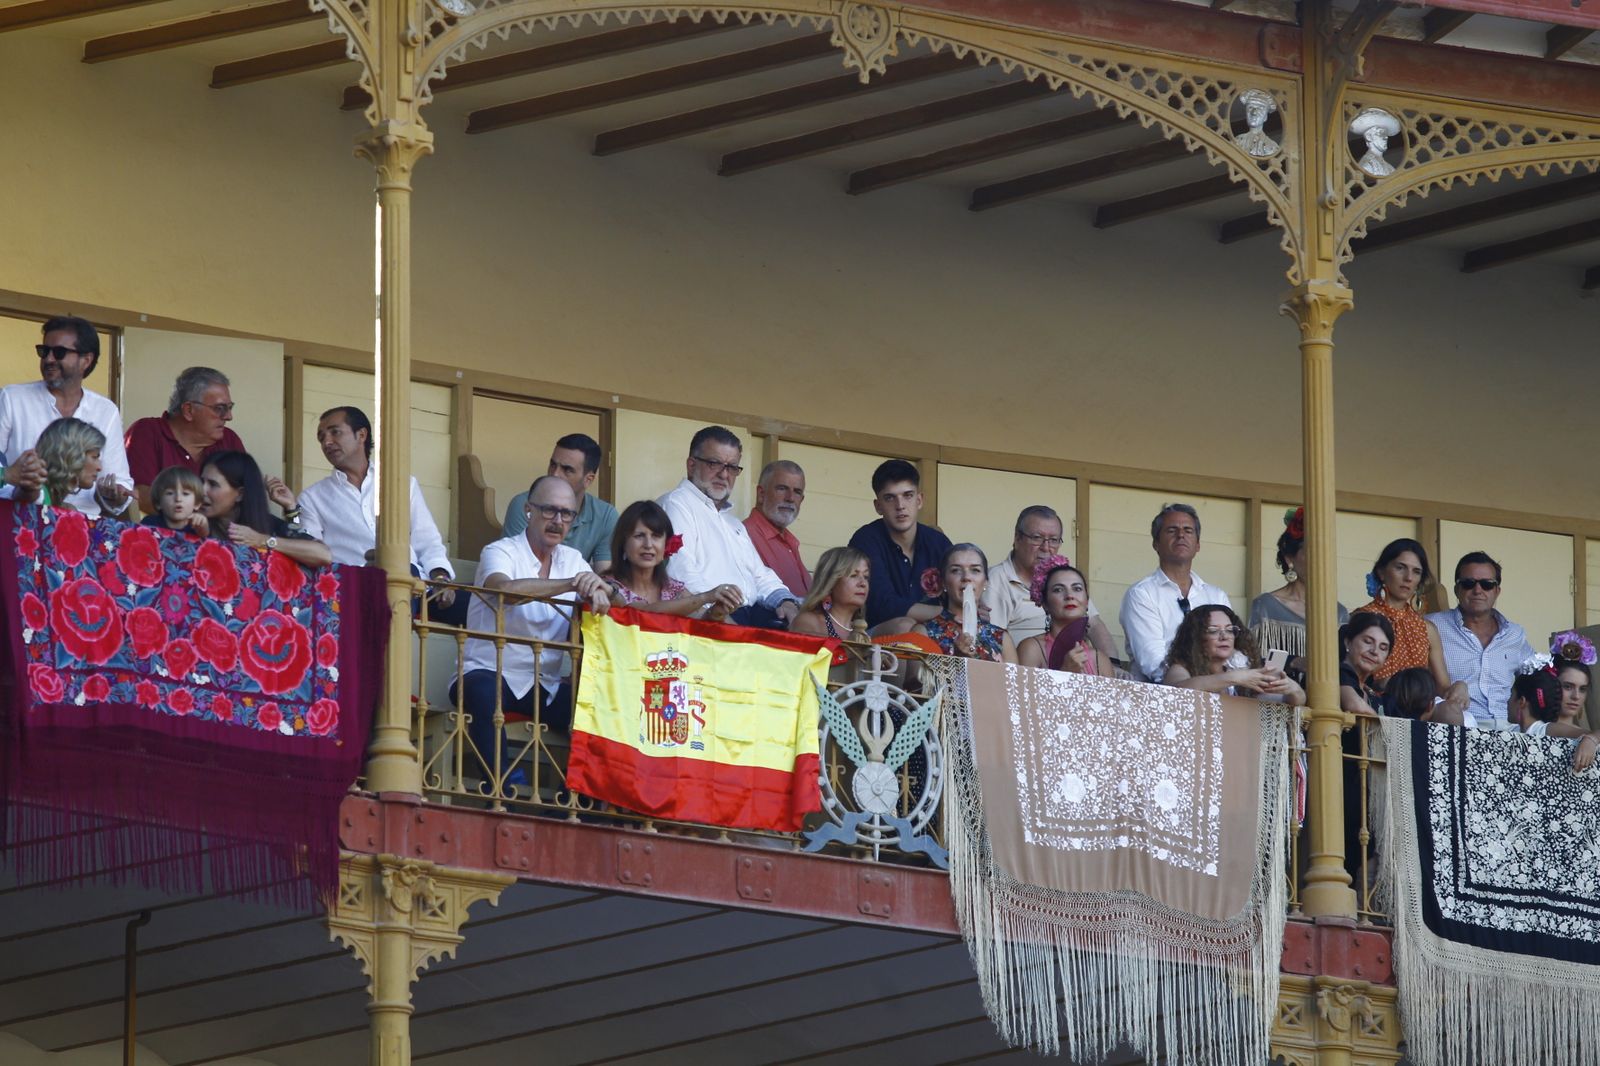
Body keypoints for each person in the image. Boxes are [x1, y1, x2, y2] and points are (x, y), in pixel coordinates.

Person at [457, 476, 611, 782]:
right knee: (483, 692)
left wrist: (602, 590)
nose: (558, 521)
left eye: (567, 514)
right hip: (490, 672)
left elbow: (604, 594)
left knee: (598, 705)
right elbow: (506, 591)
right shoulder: (500, 551)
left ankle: (580, 797)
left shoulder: (573, 560)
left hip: (545, 685)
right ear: (528, 510)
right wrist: (570, 584)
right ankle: (501, 790)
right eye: (549, 510)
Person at [294, 406, 458, 617]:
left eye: (335, 432)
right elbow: (312, 555)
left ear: (361, 435)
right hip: (354, 590)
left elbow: (427, 541)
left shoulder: (400, 483)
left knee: (478, 604)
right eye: (321, 437)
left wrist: (441, 578)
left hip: (415, 584)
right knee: (395, 570)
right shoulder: (312, 498)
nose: (326, 442)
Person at [659, 426, 800, 628]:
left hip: (749, 618)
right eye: (714, 463)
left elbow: (760, 575)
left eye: (732, 467)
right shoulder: (676, 504)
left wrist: (785, 601)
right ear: (691, 465)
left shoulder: (732, 522)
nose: (724, 474)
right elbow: (680, 576)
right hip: (709, 621)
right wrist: (720, 619)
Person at [0, 316, 131, 517]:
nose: (49, 359)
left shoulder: (106, 411)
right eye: (44, 351)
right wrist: (20, 484)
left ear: (86, 360)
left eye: (59, 352)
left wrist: (113, 495)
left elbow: (119, 482)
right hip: (21, 517)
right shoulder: (12, 398)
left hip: (84, 523)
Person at [982, 505, 1116, 659]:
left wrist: (1114, 664)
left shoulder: (1065, 578)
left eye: (1053, 540)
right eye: (1037, 538)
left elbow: (1094, 624)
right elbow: (994, 643)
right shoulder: (996, 580)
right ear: (1017, 538)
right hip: (1026, 667)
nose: (1046, 548)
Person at [1355, 539, 1469, 718]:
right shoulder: (1361, 618)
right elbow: (1350, 674)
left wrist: (1460, 686)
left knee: (1450, 712)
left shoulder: (1426, 628)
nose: (1408, 577)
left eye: (1416, 572)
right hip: (1373, 703)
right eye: (1400, 568)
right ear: (1381, 572)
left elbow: (1443, 688)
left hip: (1419, 708)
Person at [1119, 503, 1231, 682]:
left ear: (1198, 545)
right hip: (1163, 693)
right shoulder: (1141, 594)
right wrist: (1201, 681)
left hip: (1220, 690)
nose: (1181, 535)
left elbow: (1234, 652)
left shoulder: (1216, 596)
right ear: (1156, 543)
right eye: (1172, 530)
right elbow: (1155, 664)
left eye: (1188, 530)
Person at [1425, 551, 1534, 727]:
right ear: (1457, 590)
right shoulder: (1432, 626)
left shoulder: (1515, 634)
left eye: (1487, 584)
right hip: (1459, 724)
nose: (1477, 590)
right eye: (1468, 584)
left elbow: (1539, 679)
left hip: (1508, 730)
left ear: (1497, 591)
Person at [124, 366, 244, 515]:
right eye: (220, 408)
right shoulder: (147, 431)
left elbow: (245, 498)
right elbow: (142, 497)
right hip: (161, 530)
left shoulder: (229, 440)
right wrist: (201, 516)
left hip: (220, 530)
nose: (228, 416)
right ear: (188, 410)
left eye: (229, 407)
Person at [848, 459, 952, 629]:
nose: (900, 506)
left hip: (938, 633)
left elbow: (959, 591)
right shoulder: (865, 540)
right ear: (878, 506)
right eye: (890, 498)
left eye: (908, 495)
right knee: (904, 625)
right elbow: (882, 605)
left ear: (919, 500)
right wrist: (948, 615)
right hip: (876, 635)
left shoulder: (938, 542)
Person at [1248, 507, 1348, 678]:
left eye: (1325, 553)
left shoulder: (1338, 613)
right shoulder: (1265, 606)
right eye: (1312, 552)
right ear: (1290, 559)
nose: (1320, 560)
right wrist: (1293, 662)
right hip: (1278, 692)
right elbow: (1253, 662)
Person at [603, 500, 741, 618]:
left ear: (666, 544)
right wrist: (706, 597)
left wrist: (715, 613)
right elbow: (643, 614)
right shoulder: (608, 587)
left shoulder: (675, 590)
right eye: (639, 536)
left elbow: (699, 626)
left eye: (656, 536)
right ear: (623, 543)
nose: (648, 545)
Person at [501, 434, 618, 572]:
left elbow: (605, 574)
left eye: (567, 470)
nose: (555, 474)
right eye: (553, 465)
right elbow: (516, 569)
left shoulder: (606, 515)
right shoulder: (525, 504)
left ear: (588, 479)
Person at [882, 544, 1016, 663]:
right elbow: (916, 682)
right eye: (956, 570)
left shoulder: (1002, 639)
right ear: (944, 583)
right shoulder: (923, 633)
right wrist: (956, 660)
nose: (966, 577)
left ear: (985, 582)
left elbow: (1016, 683)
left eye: (975, 570)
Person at [200, 451, 331, 569]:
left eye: (213, 484)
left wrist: (262, 540)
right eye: (201, 482)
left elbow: (323, 554)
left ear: (240, 494)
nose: (202, 490)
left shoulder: (268, 525)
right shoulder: (194, 524)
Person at [1161, 605, 1305, 702]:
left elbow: (1281, 701)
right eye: (1213, 630)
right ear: (1195, 637)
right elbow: (1175, 691)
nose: (1224, 636)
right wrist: (1235, 678)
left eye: (1230, 630)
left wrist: (1293, 690)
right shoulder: (1181, 668)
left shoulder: (1243, 666)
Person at [1016, 558, 1112, 675]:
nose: (1069, 595)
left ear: (1087, 602)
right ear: (1045, 604)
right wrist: (1065, 671)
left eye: (1077, 589)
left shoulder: (1100, 659)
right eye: (1058, 590)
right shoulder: (1031, 649)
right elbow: (1023, 687)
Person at [743, 460, 810, 597]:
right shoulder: (744, 535)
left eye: (797, 492)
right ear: (761, 494)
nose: (790, 498)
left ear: (802, 500)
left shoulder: (790, 540)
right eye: (782, 489)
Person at [791, 547, 871, 640]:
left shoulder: (864, 632)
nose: (863, 583)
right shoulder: (808, 622)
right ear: (830, 582)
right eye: (853, 575)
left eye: (866, 577)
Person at [31, 417, 106, 511]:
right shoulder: (35, 496)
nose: (99, 467)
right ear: (71, 455)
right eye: (94, 457)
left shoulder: (66, 510)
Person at [1337, 611, 1394, 716]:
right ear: (1348, 642)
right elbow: (1355, 706)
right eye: (1368, 641)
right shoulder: (1338, 673)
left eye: (1383, 648)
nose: (1374, 651)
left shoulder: (1370, 692)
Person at [141, 465, 208, 534]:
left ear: (197, 503)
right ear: (158, 503)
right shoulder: (149, 523)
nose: (178, 499)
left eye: (185, 494)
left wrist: (203, 530)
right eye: (170, 493)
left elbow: (206, 538)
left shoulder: (197, 527)